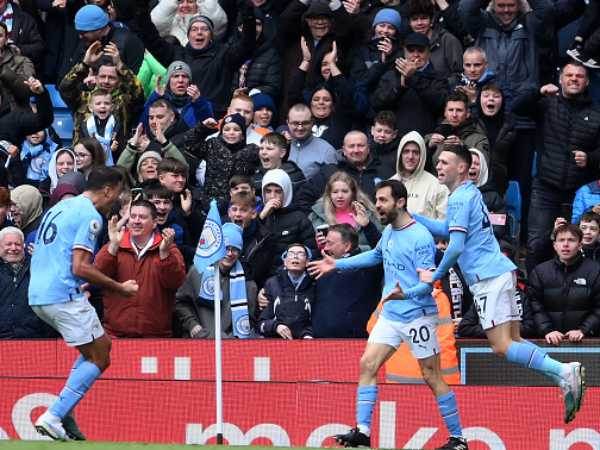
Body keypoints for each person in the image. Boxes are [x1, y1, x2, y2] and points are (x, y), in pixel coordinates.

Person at [412, 144, 586, 424]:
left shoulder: (459, 198)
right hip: (502, 271)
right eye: (438, 162)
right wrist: (414, 218)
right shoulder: (470, 194)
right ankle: (563, 375)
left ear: (462, 167)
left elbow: (454, 246)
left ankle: (564, 371)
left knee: (501, 346)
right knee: (515, 340)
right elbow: (448, 230)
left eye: (445, 162)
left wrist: (434, 275)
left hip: (487, 278)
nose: (439, 166)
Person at [307, 179, 467, 450]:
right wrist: (338, 264)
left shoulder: (420, 238)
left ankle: (458, 439)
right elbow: (375, 257)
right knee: (367, 365)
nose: (377, 206)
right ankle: (363, 431)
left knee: (431, 376)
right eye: (378, 200)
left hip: (417, 314)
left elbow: (427, 284)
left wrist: (405, 294)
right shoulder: (391, 232)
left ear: (400, 202)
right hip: (391, 314)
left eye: (383, 200)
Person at [29, 166, 138, 441]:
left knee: (97, 348)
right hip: (62, 293)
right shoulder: (90, 215)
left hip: (38, 294)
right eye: (118, 193)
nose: (117, 199)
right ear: (109, 189)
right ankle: (54, 415)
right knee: (101, 355)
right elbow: (80, 266)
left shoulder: (59, 207)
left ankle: (64, 415)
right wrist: (119, 288)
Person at [95, 199, 186, 337]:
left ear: (154, 223)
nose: (136, 221)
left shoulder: (168, 248)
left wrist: (164, 255)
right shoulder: (114, 246)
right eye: (133, 216)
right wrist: (112, 247)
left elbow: (175, 283)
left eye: (142, 217)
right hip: (115, 335)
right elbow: (98, 277)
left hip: (156, 337)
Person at [175, 222, 259, 338]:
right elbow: (181, 302)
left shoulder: (247, 282)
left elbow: (249, 318)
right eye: (226, 248)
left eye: (234, 249)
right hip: (199, 342)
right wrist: (192, 325)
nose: (229, 253)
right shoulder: (197, 271)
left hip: (232, 347)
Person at [528, 224, 600, 342]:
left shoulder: (595, 271)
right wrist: (547, 330)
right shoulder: (540, 272)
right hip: (548, 340)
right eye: (561, 240)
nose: (565, 244)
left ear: (580, 245)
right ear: (555, 245)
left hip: (586, 341)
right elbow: (534, 305)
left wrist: (583, 330)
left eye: (571, 240)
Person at [312, 223, 382, 338]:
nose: (326, 248)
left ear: (347, 246)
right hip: (319, 342)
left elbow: (385, 252)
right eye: (325, 243)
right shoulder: (322, 266)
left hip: (354, 342)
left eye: (330, 243)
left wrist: (368, 226)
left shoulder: (367, 269)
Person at [0, 227, 57, 339]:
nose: (13, 248)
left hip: (35, 339)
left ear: (24, 246)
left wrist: (44, 261)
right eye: (8, 244)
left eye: (17, 244)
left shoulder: (38, 268)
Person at [260, 168, 317, 275]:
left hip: (289, 277)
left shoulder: (299, 218)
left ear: (286, 192)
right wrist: (262, 216)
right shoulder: (258, 216)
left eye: (278, 191)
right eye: (268, 191)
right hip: (261, 278)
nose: (272, 196)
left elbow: (311, 252)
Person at [309, 171, 381, 251]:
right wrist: (320, 247)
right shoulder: (316, 217)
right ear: (329, 194)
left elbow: (382, 246)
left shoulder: (368, 214)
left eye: (345, 191)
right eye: (335, 192)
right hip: (331, 261)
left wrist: (355, 249)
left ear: (353, 193)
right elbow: (308, 251)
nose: (340, 196)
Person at [258, 243, 315, 339]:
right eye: (291, 253)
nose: (295, 257)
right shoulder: (272, 283)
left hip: (306, 342)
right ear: (284, 261)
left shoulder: (315, 285)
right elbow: (261, 324)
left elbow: (320, 320)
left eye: (300, 254)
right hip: (276, 342)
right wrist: (276, 326)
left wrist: (308, 334)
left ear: (307, 262)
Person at [390, 130, 448, 219]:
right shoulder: (390, 184)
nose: (410, 157)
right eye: (406, 151)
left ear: (422, 156)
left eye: (415, 152)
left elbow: (444, 224)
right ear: (400, 154)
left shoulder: (437, 186)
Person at [285, 103, 338, 179]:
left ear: (312, 122)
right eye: (295, 123)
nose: (300, 128)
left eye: (305, 123)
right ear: (288, 123)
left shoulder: (326, 151)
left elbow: (333, 185)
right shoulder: (280, 147)